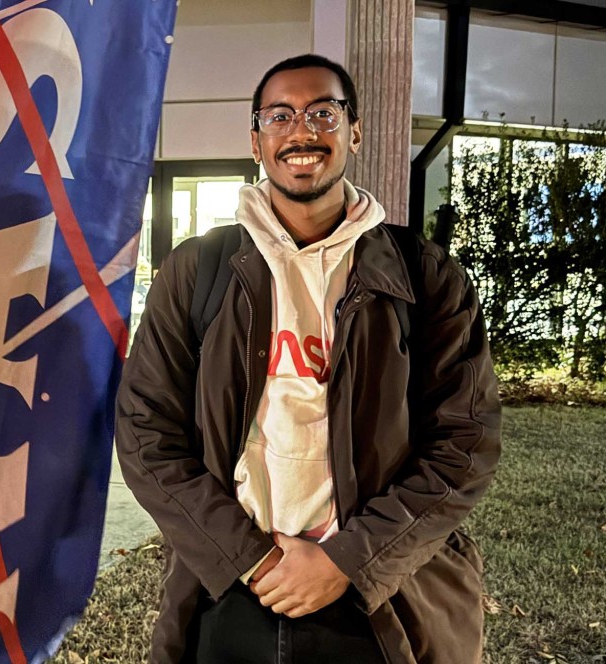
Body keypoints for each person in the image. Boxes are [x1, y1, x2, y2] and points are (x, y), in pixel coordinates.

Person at [115, 54, 501, 664]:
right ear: (256, 138)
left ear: (353, 130)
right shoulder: (199, 270)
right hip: (234, 587)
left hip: (376, 596)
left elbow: (466, 442)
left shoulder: (423, 276)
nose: (302, 131)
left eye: (323, 112)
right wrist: (250, 557)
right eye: (280, 116)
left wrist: (348, 560)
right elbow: (144, 431)